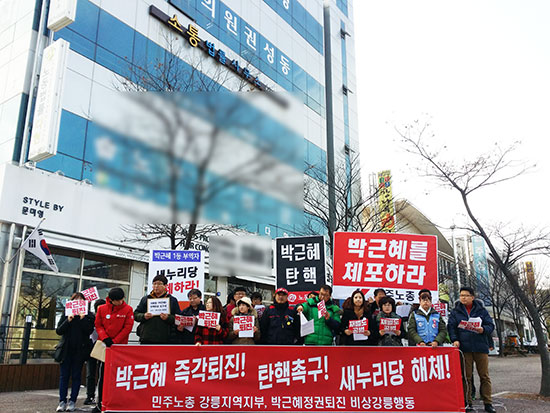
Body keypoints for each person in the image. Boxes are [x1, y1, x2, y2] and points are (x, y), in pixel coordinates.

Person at [448, 287, 496, 413]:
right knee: (466, 376)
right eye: (461, 295)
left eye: (466, 295)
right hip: (464, 348)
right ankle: (467, 403)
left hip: (480, 346)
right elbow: (451, 327)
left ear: (472, 297)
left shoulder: (481, 310)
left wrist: (483, 330)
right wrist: (454, 339)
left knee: (484, 376)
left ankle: (488, 403)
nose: (463, 297)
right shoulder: (455, 312)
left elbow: (490, 325)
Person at [93, 288, 134, 413]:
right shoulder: (102, 309)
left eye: (122, 299)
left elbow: (127, 327)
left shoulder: (128, 309)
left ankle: (118, 402)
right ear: (111, 300)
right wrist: (105, 338)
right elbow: (98, 325)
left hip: (119, 348)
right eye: (117, 301)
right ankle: (100, 403)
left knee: (119, 376)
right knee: (103, 376)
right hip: (105, 347)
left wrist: (115, 341)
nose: (120, 302)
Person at [55, 293, 95, 412]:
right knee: (64, 376)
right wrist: (68, 320)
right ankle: (62, 401)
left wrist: (82, 318)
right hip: (66, 350)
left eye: (81, 300)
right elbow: (59, 331)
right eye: (75, 300)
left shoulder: (89, 316)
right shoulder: (67, 313)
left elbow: (89, 331)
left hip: (80, 351)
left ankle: (72, 401)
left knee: (76, 376)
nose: (78, 302)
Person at [134, 274, 180, 344]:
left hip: (166, 339)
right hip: (147, 337)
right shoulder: (146, 299)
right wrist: (144, 316)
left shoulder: (172, 300)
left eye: (159, 284)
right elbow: (135, 314)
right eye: (154, 284)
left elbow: (178, 318)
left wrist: (168, 318)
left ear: (165, 286)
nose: (156, 286)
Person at [84, 298, 106, 406]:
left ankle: (101, 396)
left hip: (102, 346)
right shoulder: (90, 318)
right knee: (90, 373)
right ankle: (90, 395)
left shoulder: (107, 318)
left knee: (102, 373)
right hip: (91, 347)